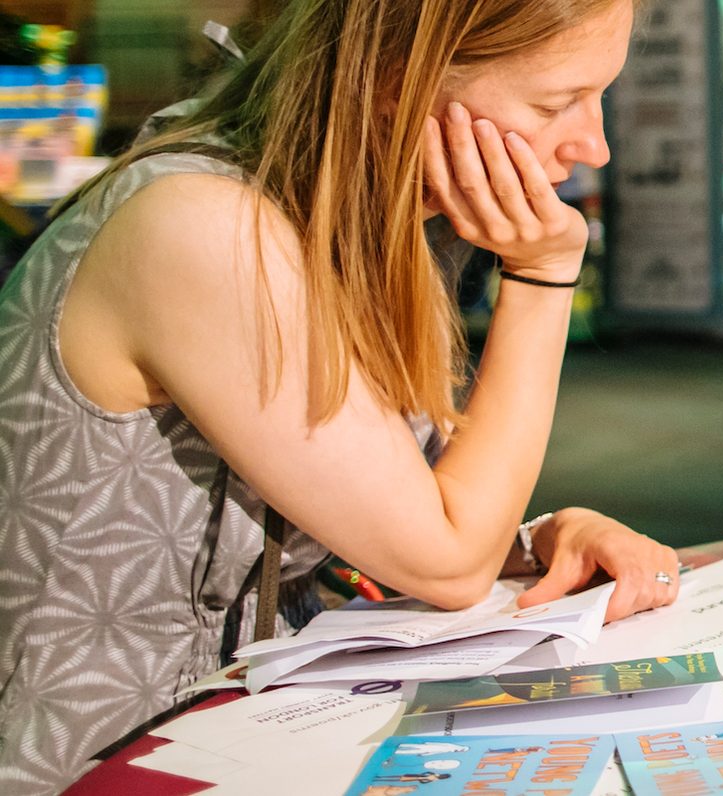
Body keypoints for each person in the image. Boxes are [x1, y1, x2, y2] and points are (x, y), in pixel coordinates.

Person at [0, 2, 683, 790]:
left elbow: (401, 513)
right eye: (556, 103)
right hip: (93, 761)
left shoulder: (347, 214)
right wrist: (542, 274)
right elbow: (446, 560)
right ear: (398, 80)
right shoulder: (200, 227)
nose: (590, 145)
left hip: (241, 738)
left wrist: (540, 538)